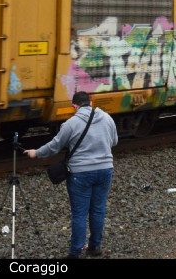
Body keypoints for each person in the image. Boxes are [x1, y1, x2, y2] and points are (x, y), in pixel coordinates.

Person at [25, 91, 118, 259]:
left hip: (81, 173)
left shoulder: (71, 123)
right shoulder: (107, 118)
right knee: (98, 209)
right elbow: (114, 141)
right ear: (90, 102)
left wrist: (36, 152)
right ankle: (95, 247)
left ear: (74, 106)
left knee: (80, 213)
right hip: (105, 170)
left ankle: (75, 252)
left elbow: (54, 146)